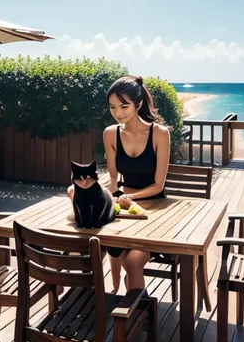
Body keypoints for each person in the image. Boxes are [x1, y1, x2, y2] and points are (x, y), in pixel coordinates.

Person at [68, 75, 170, 294]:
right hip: (124, 208)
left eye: (124, 106)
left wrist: (129, 198)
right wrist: (93, 191)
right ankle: (107, 305)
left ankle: (136, 316)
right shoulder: (111, 133)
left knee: (133, 261)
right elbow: (113, 179)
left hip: (153, 209)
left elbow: (159, 185)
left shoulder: (159, 134)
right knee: (94, 247)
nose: (118, 113)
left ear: (139, 104)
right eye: (112, 107)